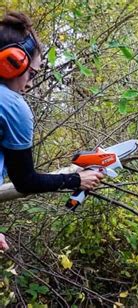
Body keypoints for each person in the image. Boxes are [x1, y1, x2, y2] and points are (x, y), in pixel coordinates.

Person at [0, 11, 104, 252]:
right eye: (32, 73)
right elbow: (25, 181)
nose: (30, 83)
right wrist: (77, 179)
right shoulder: (13, 107)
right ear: (12, 62)